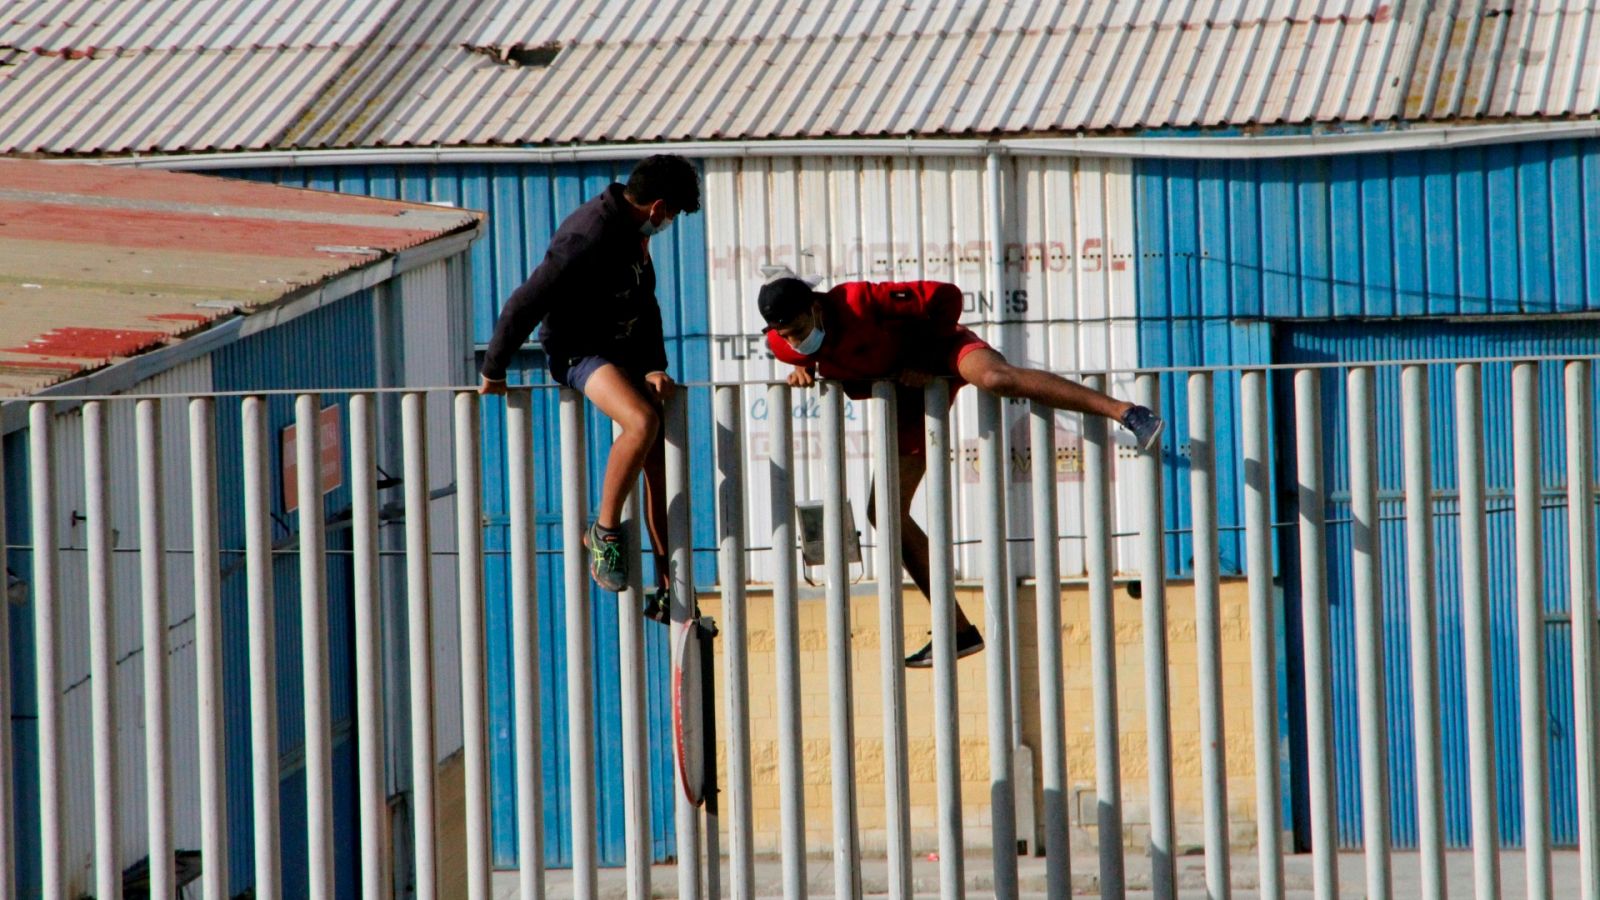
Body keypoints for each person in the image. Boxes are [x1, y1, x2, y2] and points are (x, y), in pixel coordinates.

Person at [758, 276, 1163, 666]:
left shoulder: (859, 300)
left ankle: (1128, 412)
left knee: (996, 378)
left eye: (798, 330)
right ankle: (958, 631)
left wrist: (920, 359)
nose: (793, 340)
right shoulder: (785, 344)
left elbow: (946, 297)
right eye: (786, 335)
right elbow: (810, 353)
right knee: (884, 514)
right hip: (905, 392)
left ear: (815, 307)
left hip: (941, 353)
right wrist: (805, 365)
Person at [480, 154, 701, 618]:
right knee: (640, 424)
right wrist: (495, 369)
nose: (671, 224)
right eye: (675, 215)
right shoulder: (588, 235)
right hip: (579, 352)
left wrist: (655, 365)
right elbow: (526, 302)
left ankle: (667, 582)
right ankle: (604, 532)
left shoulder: (634, 229)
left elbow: (647, 303)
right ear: (658, 208)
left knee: (657, 452)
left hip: (624, 352)